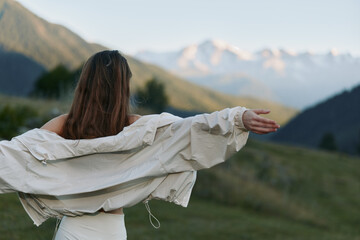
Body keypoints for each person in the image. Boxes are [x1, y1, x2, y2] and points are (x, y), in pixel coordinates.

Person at [0, 50, 280, 240]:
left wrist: (237, 118)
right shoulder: (137, 127)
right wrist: (236, 118)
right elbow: (189, 130)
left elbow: (17, 155)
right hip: (112, 231)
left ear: (84, 84)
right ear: (124, 87)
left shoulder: (65, 124)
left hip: (72, 230)